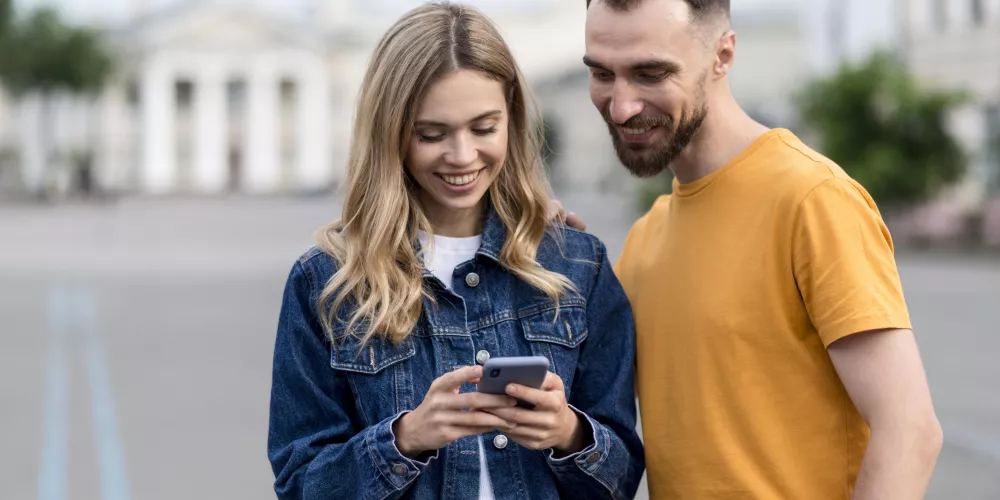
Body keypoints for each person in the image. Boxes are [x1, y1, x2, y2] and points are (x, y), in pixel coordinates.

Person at [566, 0, 943, 498]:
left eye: (651, 73)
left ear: (722, 55)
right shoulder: (644, 239)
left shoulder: (811, 199)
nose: (621, 106)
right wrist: (536, 245)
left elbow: (910, 431)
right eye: (602, 74)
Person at [266, 3, 645, 499]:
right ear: (391, 133)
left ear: (511, 118)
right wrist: (404, 439)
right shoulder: (327, 284)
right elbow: (298, 485)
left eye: (484, 128)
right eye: (432, 134)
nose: (463, 156)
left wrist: (570, 434)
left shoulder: (577, 264)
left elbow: (621, 478)